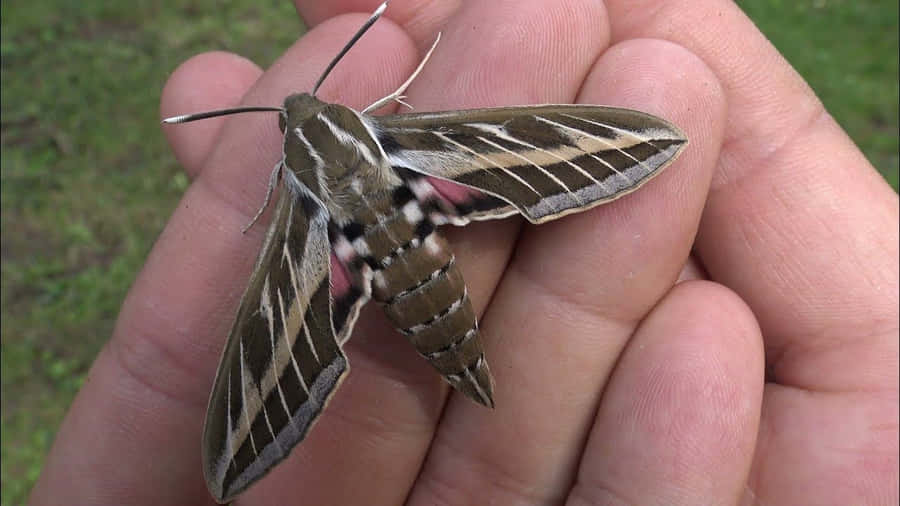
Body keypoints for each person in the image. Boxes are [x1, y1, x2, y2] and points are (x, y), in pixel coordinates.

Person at [29, 1, 898, 504]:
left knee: (261, 362)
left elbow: (278, 198)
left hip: (390, 279)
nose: (300, 116)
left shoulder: (296, 204)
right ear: (367, 119)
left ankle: (255, 437)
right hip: (423, 225)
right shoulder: (402, 136)